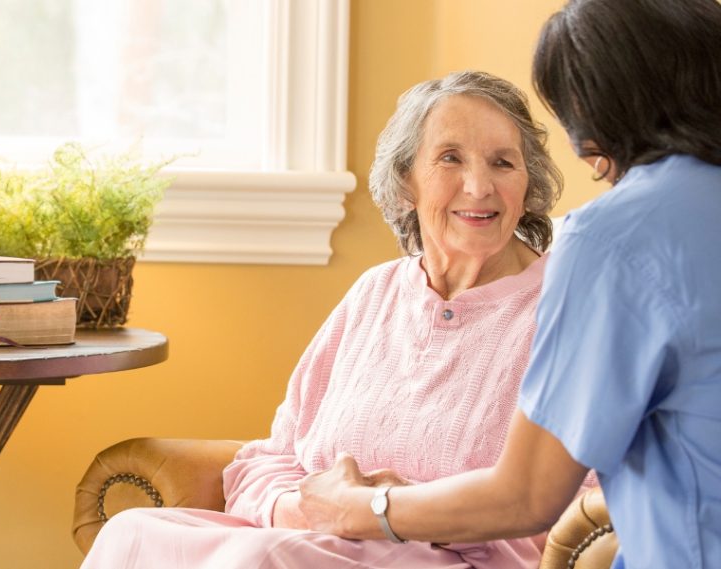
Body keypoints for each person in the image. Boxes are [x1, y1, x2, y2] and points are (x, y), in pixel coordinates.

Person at [81, 70, 577, 568]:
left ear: (527, 183)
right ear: (405, 182)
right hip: (306, 540)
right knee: (134, 533)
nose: (478, 185)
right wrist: (300, 509)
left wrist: (391, 514)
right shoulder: (375, 293)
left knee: (262, 558)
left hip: (453, 558)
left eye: (502, 162)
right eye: (451, 158)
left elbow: (573, 507)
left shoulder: (566, 307)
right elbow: (275, 455)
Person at [297, 2, 721, 569]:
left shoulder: (610, 240)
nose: (582, 148)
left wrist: (361, 507)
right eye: (450, 158)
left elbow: (530, 495)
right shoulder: (376, 293)